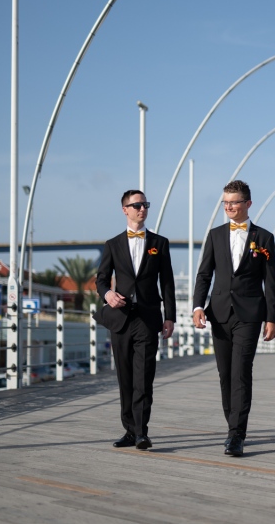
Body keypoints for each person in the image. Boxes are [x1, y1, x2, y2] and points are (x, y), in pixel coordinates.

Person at [193, 180, 275, 457]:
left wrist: (272, 317)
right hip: (218, 313)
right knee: (225, 374)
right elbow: (204, 274)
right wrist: (197, 306)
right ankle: (233, 423)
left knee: (241, 371)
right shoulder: (215, 235)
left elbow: (271, 281)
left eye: (234, 202)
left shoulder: (263, 237)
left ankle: (236, 434)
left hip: (250, 314)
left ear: (248, 204)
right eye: (225, 203)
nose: (229, 207)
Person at [94, 190, 176, 451]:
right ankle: (129, 430)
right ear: (125, 210)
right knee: (125, 377)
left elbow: (168, 283)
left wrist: (170, 317)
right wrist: (108, 295)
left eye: (145, 205)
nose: (142, 209)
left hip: (148, 318)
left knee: (144, 376)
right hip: (121, 318)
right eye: (136, 205)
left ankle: (142, 432)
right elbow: (101, 279)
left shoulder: (160, 243)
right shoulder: (113, 244)